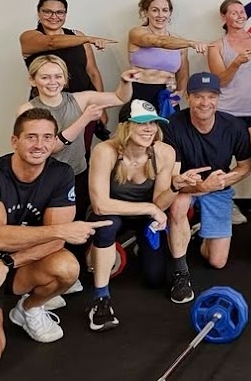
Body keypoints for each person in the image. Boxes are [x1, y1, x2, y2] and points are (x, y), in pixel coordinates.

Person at [0, 109, 111, 374]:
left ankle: (28, 309)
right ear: (14, 141)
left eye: (47, 137)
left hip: (15, 266)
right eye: (31, 137)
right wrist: (61, 230)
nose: (40, 144)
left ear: (54, 141)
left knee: (66, 267)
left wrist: (6, 264)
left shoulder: (60, 174)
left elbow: (55, 243)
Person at [85, 100, 176, 331]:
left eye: (153, 123)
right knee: (106, 224)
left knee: (155, 279)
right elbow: (100, 205)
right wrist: (150, 209)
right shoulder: (105, 151)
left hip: (145, 215)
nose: (149, 129)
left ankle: (136, 244)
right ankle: (101, 299)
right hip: (111, 213)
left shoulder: (164, 152)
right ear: (125, 126)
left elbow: (159, 203)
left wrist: (175, 187)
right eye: (141, 123)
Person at [162, 73, 251, 303]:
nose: (205, 103)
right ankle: (180, 273)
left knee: (217, 261)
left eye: (211, 96)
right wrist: (201, 185)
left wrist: (222, 181)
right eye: (198, 96)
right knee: (178, 206)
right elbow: (172, 178)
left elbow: (245, 167)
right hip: (185, 185)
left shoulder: (234, 126)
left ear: (218, 98)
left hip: (217, 187)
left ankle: (199, 234)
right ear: (188, 97)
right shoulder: (172, 126)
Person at [17, 56, 140, 221]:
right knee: (51, 225)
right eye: (45, 77)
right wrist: (84, 119)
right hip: (44, 177)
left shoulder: (79, 99)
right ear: (33, 80)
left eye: (58, 76)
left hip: (78, 174)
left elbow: (120, 98)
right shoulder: (27, 110)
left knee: (79, 221)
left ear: (65, 79)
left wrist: (125, 82)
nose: (52, 82)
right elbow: (51, 147)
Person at [207, 0, 251, 225]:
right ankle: (225, 202)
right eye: (234, 12)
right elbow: (220, 81)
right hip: (226, 113)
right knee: (221, 162)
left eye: (242, 12)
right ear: (223, 17)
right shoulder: (216, 47)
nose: (240, 16)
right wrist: (236, 63)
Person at [19, 0, 112, 108]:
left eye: (59, 12)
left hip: (84, 104)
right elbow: (51, 42)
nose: (54, 16)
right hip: (47, 106)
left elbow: (92, 72)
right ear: (39, 13)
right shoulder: (28, 37)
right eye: (47, 12)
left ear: (65, 14)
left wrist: (99, 104)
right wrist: (88, 39)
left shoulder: (78, 36)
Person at [126, 0, 208, 110]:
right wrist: (190, 43)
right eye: (155, 10)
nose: (160, 15)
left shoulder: (179, 42)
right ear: (146, 12)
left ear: (170, 13)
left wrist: (180, 92)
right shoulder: (136, 33)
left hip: (167, 96)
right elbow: (159, 41)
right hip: (139, 92)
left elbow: (183, 73)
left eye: (165, 10)